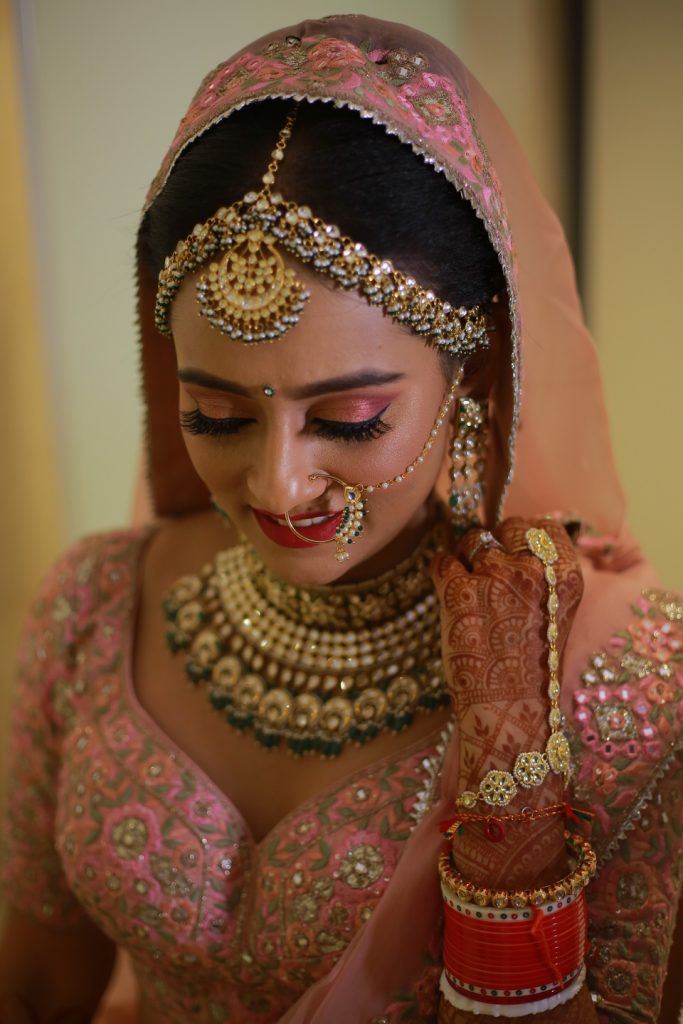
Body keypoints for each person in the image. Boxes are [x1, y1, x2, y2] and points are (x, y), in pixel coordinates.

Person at [0, 13, 681, 1024]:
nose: (276, 485)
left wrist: (513, 780)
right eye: (216, 414)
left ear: (475, 367)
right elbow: (34, 984)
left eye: (349, 418)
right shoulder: (95, 602)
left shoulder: (627, 680)